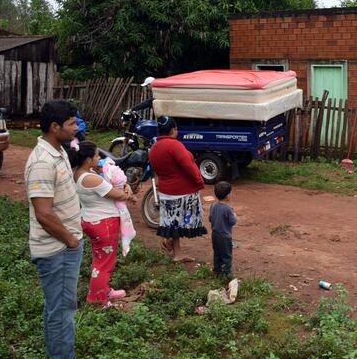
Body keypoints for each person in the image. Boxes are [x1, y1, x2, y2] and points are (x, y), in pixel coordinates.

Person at [24, 100, 88, 359]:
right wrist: (71, 241)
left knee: (57, 307)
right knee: (62, 309)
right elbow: (44, 215)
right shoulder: (41, 162)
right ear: (55, 127)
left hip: (63, 246)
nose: (76, 128)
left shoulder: (58, 151)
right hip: (57, 250)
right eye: (72, 123)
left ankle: (58, 356)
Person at [71, 141, 135, 307]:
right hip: (103, 223)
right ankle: (98, 299)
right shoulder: (92, 179)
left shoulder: (80, 174)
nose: (99, 158)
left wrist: (124, 187)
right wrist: (126, 191)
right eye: (97, 155)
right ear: (88, 159)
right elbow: (117, 195)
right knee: (104, 263)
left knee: (100, 260)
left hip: (92, 220)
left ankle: (104, 290)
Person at [148, 115, 207, 261]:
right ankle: (169, 241)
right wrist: (199, 182)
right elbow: (189, 166)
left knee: (174, 223)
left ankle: (177, 253)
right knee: (183, 220)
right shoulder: (175, 145)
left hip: (166, 191)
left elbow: (156, 169)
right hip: (182, 192)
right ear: (173, 130)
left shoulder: (154, 147)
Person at [209, 181, 237, 275]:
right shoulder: (228, 209)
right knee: (227, 255)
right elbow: (232, 222)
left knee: (217, 253)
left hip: (215, 234)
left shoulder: (213, 206)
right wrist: (234, 215)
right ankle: (227, 273)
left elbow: (210, 219)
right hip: (225, 236)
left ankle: (216, 270)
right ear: (228, 196)